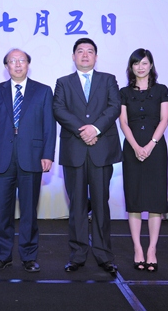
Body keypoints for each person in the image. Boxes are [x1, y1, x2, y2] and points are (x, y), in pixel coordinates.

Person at [0, 49, 56, 273]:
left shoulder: (43, 91)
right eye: (12, 61)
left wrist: (47, 154)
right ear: (6, 66)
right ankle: (3, 255)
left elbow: (49, 126)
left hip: (32, 157)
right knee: (2, 212)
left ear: (28, 64)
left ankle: (29, 256)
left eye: (21, 60)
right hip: (2, 157)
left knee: (29, 211)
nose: (17, 64)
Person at [53, 38, 122, 275]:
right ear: (73, 57)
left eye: (90, 51)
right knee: (77, 206)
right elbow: (59, 109)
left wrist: (96, 129)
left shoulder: (108, 80)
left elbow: (114, 106)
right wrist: (84, 131)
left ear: (96, 56)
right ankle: (77, 254)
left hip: (102, 151)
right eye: (80, 51)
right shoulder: (63, 82)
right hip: (74, 151)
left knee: (101, 204)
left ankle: (104, 255)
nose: (85, 55)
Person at [119, 49, 168, 273]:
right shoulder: (123, 92)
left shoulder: (161, 90)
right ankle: (138, 248)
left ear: (151, 65)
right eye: (136, 63)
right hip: (132, 149)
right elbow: (123, 122)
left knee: (155, 202)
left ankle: (152, 249)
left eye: (144, 63)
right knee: (135, 200)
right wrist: (136, 146)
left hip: (156, 150)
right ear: (131, 67)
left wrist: (150, 145)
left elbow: (164, 120)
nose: (140, 67)